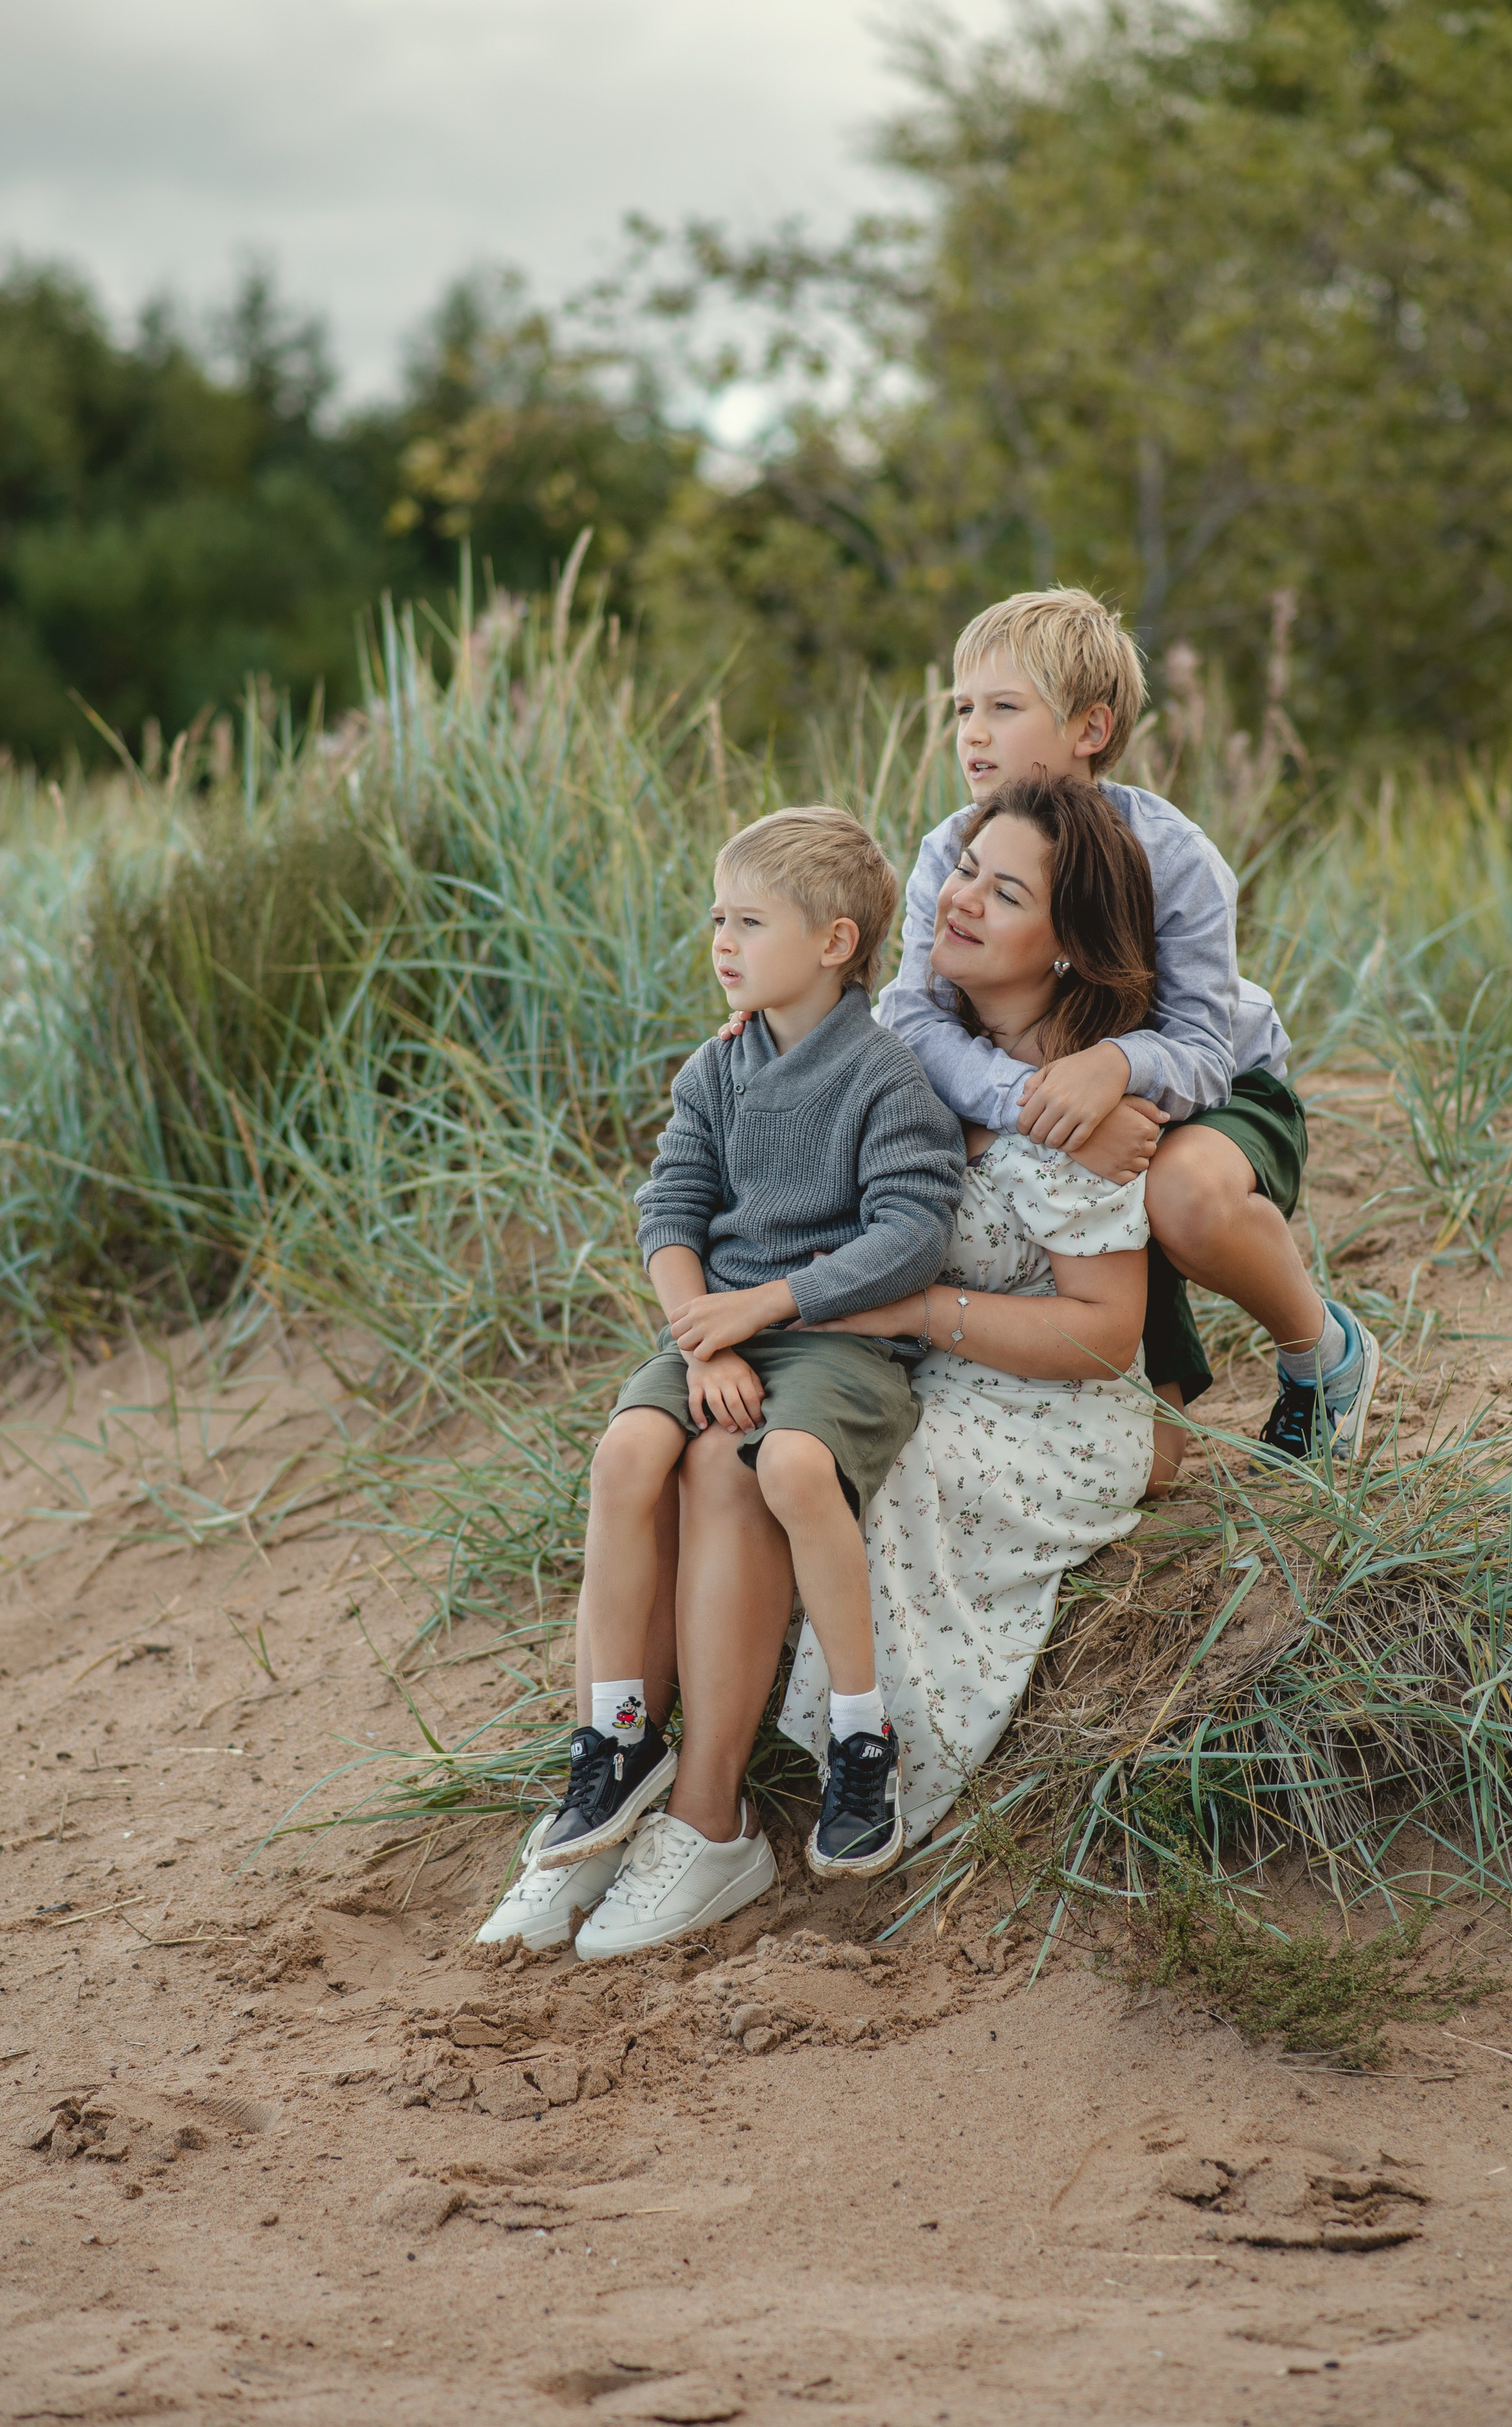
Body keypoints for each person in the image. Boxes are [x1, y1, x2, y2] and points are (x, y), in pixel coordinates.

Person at [554, 774, 1160, 1958]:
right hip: (841, 1335)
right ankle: (631, 1789)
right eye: (966, 870)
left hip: (1013, 1384)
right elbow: (705, 1162)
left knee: (775, 1468)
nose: (963, 899)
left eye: (1007, 889)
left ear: (1071, 943)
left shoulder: (1087, 1099)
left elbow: (1102, 1334)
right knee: (673, 1453)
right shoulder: (889, 1036)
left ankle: (763, 1792)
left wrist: (902, 1307)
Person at [529, 805, 965, 1896]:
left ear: (835, 944)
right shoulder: (716, 1071)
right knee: (627, 1453)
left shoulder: (883, 1078)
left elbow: (911, 1235)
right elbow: (668, 1209)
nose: (721, 942)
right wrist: (703, 1338)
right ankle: (617, 1736)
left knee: (789, 1465)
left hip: (830, 1341)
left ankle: (861, 1742)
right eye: (716, 917)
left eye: (750, 921)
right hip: (719, 1333)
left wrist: (762, 1309)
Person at [877, 586, 1379, 1474]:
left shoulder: (1172, 853)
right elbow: (917, 1013)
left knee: (1181, 1197)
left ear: (1092, 728)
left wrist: (1112, 1064)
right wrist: (1033, 1100)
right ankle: (1123, 1384)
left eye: (1003, 708)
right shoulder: (950, 848)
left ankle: (1322, 1354)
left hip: (1210, 1091)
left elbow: (1200, 1044)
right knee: (1150, 1461)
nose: (973, 734)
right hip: (1062, 1113)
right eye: (962, 710)